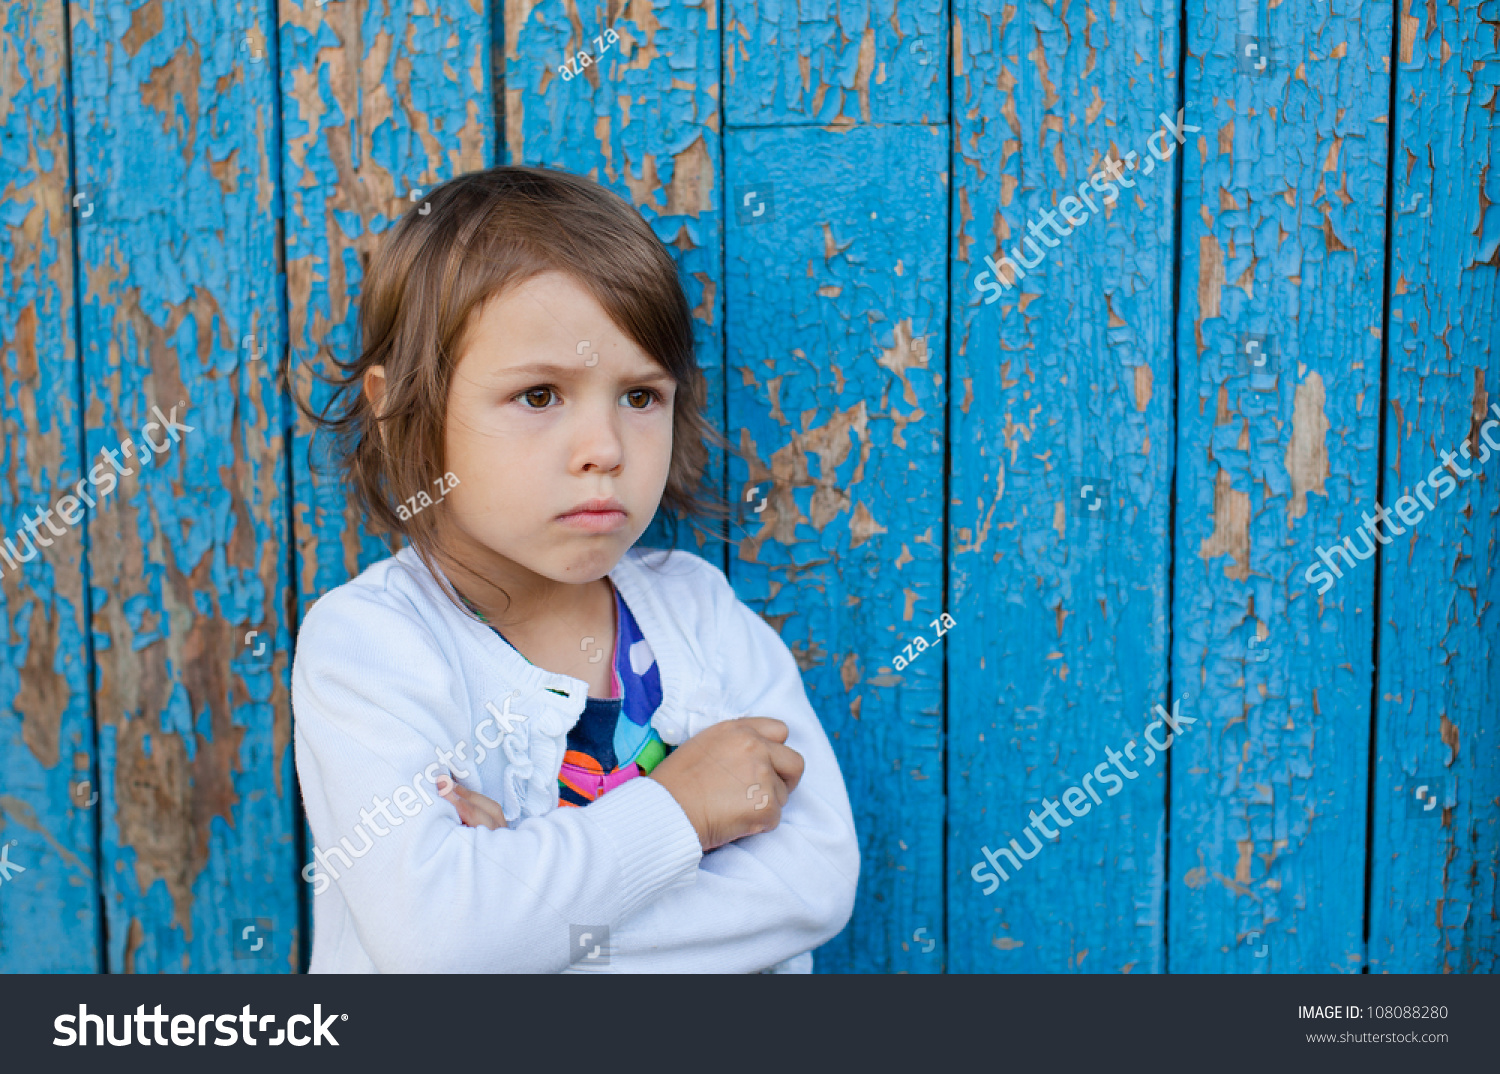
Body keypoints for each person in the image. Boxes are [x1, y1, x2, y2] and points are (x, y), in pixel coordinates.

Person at [291, 165, 860, 972]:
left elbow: (814, 884)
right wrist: (682, 815)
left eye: (638, 397)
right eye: (538, 396)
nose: (605, 450)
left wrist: (519, 894)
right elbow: (440, 943)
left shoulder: (699, 614)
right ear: (400, 408)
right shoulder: (369, 647)